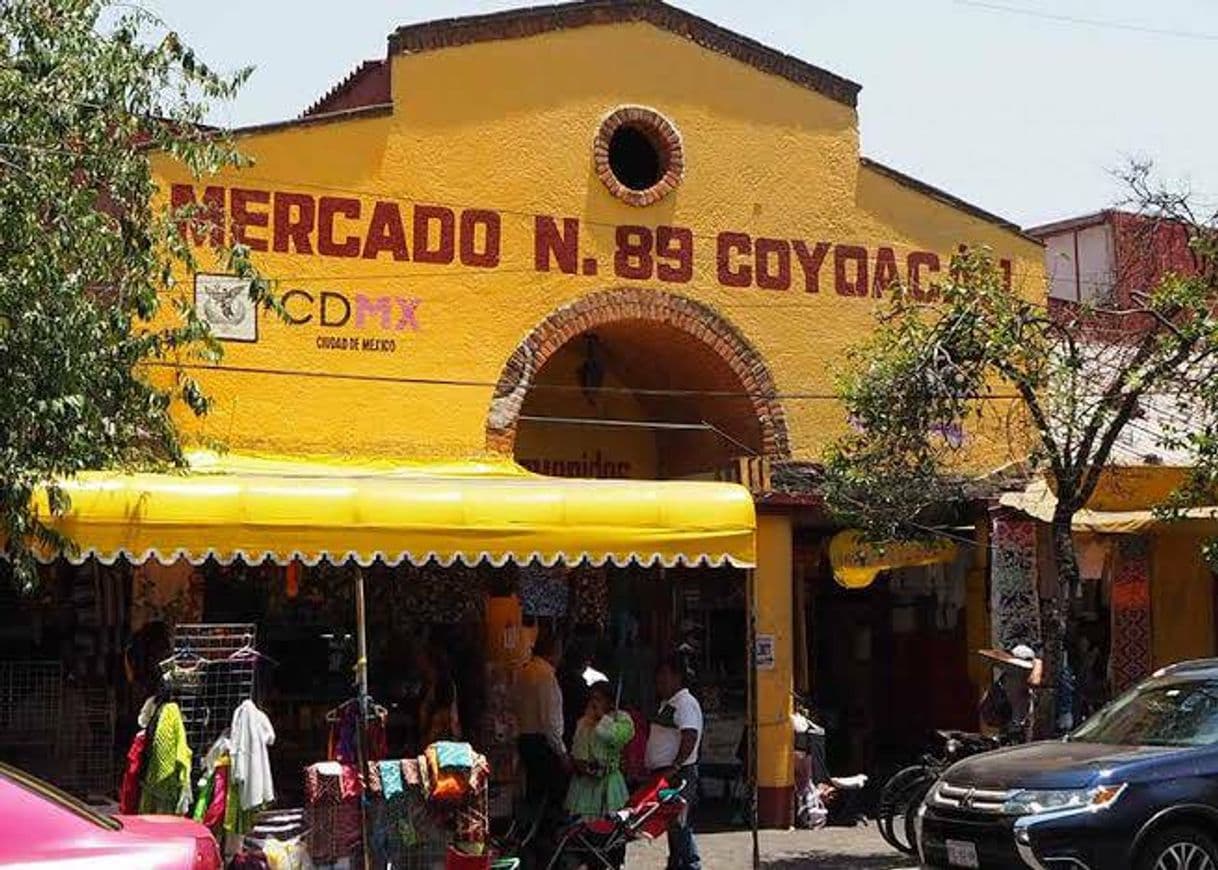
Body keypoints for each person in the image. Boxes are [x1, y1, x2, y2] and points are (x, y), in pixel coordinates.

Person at [645, 654, 703, 870]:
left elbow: (690, 736)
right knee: (671, 823)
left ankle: (691, 865)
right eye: (658, 676)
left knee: (679, 823)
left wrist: (676, 766)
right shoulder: (666, 703)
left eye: (664, 676)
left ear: (677, 677)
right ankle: (676, 864)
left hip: (680, 775)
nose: (660, 681)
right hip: (665, 773)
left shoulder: (685, 704)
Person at [515, 631, 569, 853]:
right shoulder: (546, 676)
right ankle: (547, 845)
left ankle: (532, 842)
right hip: (542, 743)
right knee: (551, 797)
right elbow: (551, 722)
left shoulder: (525, 672)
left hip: (526, 738)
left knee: (535, 795)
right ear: (554, 652)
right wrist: (562, 752)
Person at [417, 643, 461, 748]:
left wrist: (431, 736)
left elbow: (444, 714)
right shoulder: (428, 683)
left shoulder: (444, 683)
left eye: (423, 660)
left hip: (441, 738)